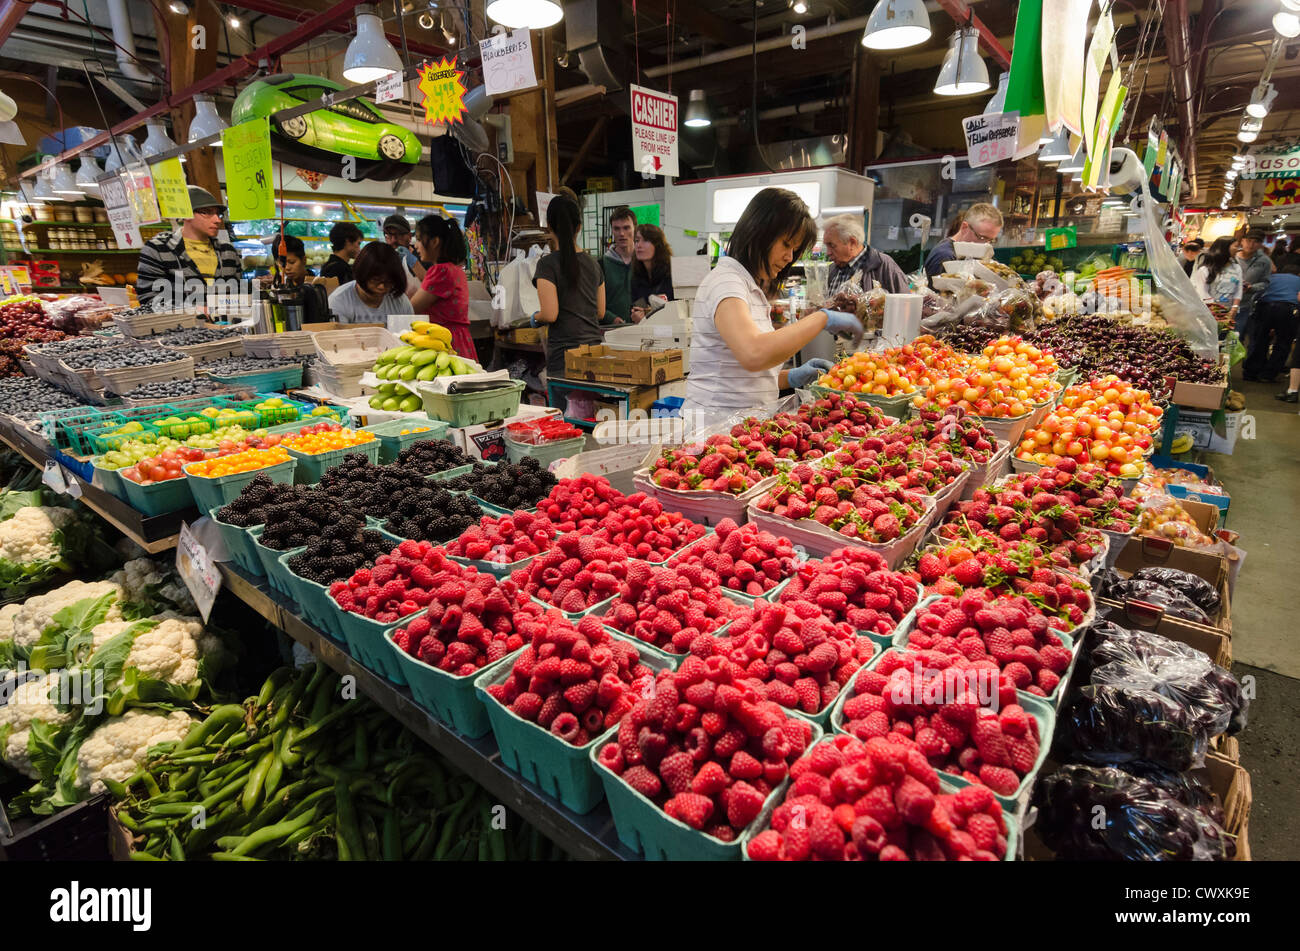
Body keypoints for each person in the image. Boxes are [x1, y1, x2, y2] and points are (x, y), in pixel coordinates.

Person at [682, 187, 863, 423]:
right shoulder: (726, 283)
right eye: (786, 244)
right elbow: (753, 353)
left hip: (740, 425)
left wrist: (790, 377)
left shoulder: (749, 286)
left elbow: (742, 377)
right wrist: (822, 318)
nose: (789, 257)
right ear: (758, 232)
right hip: (713, 428)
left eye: (794, 250)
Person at [533, 195, 605, 378]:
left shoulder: (547, 265)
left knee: (564, 399)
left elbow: (550, 314)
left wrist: (535, 317)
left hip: (564, 359)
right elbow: (600, 312)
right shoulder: (594, 263)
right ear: (579, 227)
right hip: (594, 353)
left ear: (549, 226)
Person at [136, 186, 241, 308]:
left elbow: (237, 293)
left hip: (226, 320)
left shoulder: (228, 251)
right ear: (186, 215)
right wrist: (192, 310)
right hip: (181, 321)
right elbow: (148, 298)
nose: (217, 219)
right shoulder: (158, 249)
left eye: (218, 214)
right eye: (206, 212)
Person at [408, 214, 477, 362]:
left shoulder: (440, 271)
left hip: (445, 342)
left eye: (419, 239)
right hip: (459, 339)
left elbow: (410, 308)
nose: (416, 245)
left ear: (434, 242)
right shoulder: (455, 269)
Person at [1245, 254, 1300, 385]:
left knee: (1259, 340)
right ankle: (1268, 374)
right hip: (1288, 309)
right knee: (1283, 343)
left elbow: (1258, 293)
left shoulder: (1272, 277)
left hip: (1265, 306)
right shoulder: (1298, 280)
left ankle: (1251, 372)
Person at [823, 213, 909, 295]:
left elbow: (905, 301)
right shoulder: (833, 269)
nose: (828, 253)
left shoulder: (884, 266)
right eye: (826, 246)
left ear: (852, 242)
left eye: (832, 245)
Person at [327, 241, 409, 323]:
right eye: (375, 280)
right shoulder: (339, 301)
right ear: (361, 274)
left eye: (388, 282)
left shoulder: (399, 300)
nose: (382, 287)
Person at [924, 203, 1003, 286]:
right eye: (982, 238)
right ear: (964, 227)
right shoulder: (945, 256)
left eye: (991, 240)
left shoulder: (974, 254)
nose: (986, 244)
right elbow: (936, 293)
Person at [274, 234, 329, 325]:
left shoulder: (318, 286)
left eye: (292, 262)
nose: (287, 268)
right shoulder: (285, 289)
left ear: (304, 260)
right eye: (282, 263)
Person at [1191, 237, 1243, 326]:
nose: (1238, 249)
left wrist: (1234, 307)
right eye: (1235, 246)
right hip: (1208, 312)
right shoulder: (1205, 269)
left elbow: (1239, 289)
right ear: (1225, 248)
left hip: (1228, 313)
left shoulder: (1236, 268)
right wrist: (1217, 311)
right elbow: (1202, 292)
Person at [628, 223, 674, 323]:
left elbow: (677, 311)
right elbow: (638, 306)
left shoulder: (672, 274)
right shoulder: (636, 277)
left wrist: (647, 316)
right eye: (637, 240)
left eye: (646, 240)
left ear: (658, 245)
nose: (639, 245)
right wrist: (637, 315)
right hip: (647, 330)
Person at [1235, 228, 1274, 344]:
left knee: (1236, 339)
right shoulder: (1232, 257)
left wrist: (1251, 288)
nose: (1251, 244)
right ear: (1242, 241)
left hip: (1244, 305)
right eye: (1249, 240)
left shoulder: (1265, 261)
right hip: (1224, 303)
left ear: (1261, 245)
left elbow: (1266, 283)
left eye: (1256, 242)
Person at [600, 206, 636, 325]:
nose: (621, 233)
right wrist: (611, 318)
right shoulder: (601, 264)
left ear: (635, 228)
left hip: (644, 328)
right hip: (610, 330)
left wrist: (646, 313)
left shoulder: (645, 262)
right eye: (616, 228)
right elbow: (594, 301)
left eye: (626, 228)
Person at [382, 214, 425, 281]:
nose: (393, 240)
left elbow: (432, 283)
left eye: (399, 235)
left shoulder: (423, 257)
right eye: (389, 235)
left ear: (409, 236)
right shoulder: (382, 260)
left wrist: (413, 263)